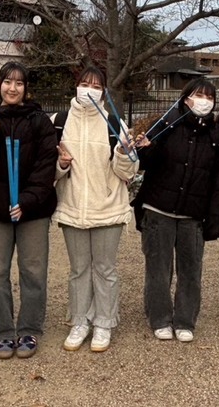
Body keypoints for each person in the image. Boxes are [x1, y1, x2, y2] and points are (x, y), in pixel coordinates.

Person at [0, 62, 58, 359]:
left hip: (33, 210)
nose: (13, 88)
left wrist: (27, 201)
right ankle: (3, 331)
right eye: (7, 82)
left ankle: (29, 328)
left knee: (33, 271)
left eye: (19, 83)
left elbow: (46, 168)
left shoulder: (39, 121)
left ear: (26, 88)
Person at [132, 78, 219, 343]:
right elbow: (143, 162)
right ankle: (160, 317)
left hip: (193, 213)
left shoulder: (217, 135)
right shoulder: (166, 124)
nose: (204, 101)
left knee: (191, 270)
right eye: (199, 95)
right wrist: (145, 148)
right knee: (158, 269)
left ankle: (185, 319)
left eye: (209, 97)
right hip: (158, 207)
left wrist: (216, 218)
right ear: (186, 98)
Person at [53, 67, 139, 353]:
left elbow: (128, 171)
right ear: (75, 86)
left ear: (104, 91)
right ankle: (80, 321)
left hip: (108, 206)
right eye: (85, 83)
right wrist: (61, 165)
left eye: (96, 84)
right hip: (73, 206)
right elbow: (48, 170)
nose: (90, 88)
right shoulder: (59, 122)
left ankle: (104, 322)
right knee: (79, 270)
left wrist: (125, 153)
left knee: (105, 269)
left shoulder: (116, 123)